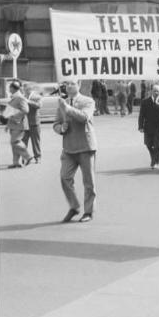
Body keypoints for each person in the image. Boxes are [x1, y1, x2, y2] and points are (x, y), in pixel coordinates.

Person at [53, 79, 97, 223]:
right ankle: (74, 206)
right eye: (67, 84)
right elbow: (56, 124)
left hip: (85, 146)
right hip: (68, 148)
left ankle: (88, 212)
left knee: (88, 181)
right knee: (64, 177)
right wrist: (61, 129)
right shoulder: (62, 102)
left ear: (79, 85)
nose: (69, 86)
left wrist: (67, 108)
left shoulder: (88, 101)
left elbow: (84, 117)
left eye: (73, 83)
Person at [5, 79, 33, 168]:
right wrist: (7, 124)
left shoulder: (20, 97)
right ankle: (16, 163)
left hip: (19, 124)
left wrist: (15, 117)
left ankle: (28, 156)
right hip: (13, 124)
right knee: (14, 145)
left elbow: (25, 110)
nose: (8, 89)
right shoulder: (14, 97)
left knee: (15, 142)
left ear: (13, 88)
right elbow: (11, 111)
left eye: (9, 87)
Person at [138, 84, 159, 169]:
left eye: (158, 91)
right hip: (148, 127)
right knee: (148, 144)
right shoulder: (145, 101)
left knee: (158, 146)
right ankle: (154, 157)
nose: (156, 92)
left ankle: (155, 161)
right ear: (151, 91)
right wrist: (140, 126)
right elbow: (141, 115)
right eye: (154, 91)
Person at [21, 82, 42, 163]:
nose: (24, 91)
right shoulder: (23, 96)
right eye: (23, 89)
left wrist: (28, 101)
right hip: (24, 123)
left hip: (34, 123)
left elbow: (39, 105)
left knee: (35, 141)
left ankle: (38, 157)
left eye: (25, 89)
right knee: (23, 141)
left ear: (30, 89)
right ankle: (24, 157)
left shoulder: (36, 96)